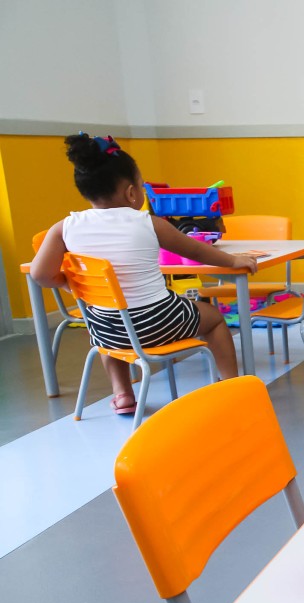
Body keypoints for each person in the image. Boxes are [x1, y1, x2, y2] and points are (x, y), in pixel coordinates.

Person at [30, 133, 258, 415]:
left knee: (106, 322)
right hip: (159, 322)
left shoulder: (65, 227)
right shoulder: (147, 223)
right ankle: (230, 384)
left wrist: (72, 286)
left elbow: (40, 274)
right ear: (130, 193)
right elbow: (197, 252)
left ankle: (123, 394)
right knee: (214, 320)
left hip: (108, 330)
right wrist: (234, 260)